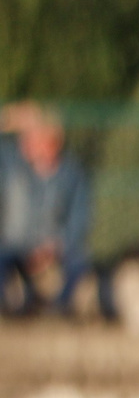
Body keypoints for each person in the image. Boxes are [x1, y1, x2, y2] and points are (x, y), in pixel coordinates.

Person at [0, 105, 108, 320]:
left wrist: (54, 245)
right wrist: (10, 119)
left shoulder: (72, 174)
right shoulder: (15, 166)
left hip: (54, 248)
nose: (25, 142)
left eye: (33, 136)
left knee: (79, 261)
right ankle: (12, 310)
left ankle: (58, 310)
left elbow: (79, 220)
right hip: (17, 248)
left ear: (51, 141)